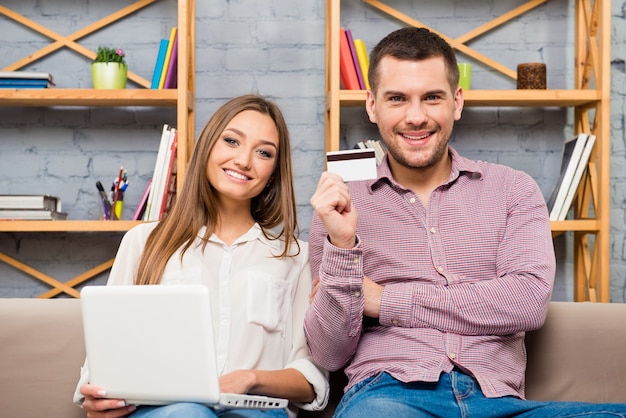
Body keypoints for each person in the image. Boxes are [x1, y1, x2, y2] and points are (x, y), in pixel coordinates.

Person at [304, 27, 626, 417]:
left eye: (432, 97)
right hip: (389, 397)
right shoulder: (340, 204)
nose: (416, 117)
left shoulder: (513, 190)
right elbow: (328, 352)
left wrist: (384, 300)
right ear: (372, 106)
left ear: (457, 102)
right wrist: (342, 248)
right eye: (397, 99)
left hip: (499, 403)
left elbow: (527, 302)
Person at [74, 94, 329, 418]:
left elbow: (310, 379)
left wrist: (248, 379)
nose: (244, 160)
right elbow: (103, 360)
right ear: (208, 146)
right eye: (232, 141)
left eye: (263, 152)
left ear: (274, 171)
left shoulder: (294, 256)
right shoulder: (143, 242)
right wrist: (98, 399)